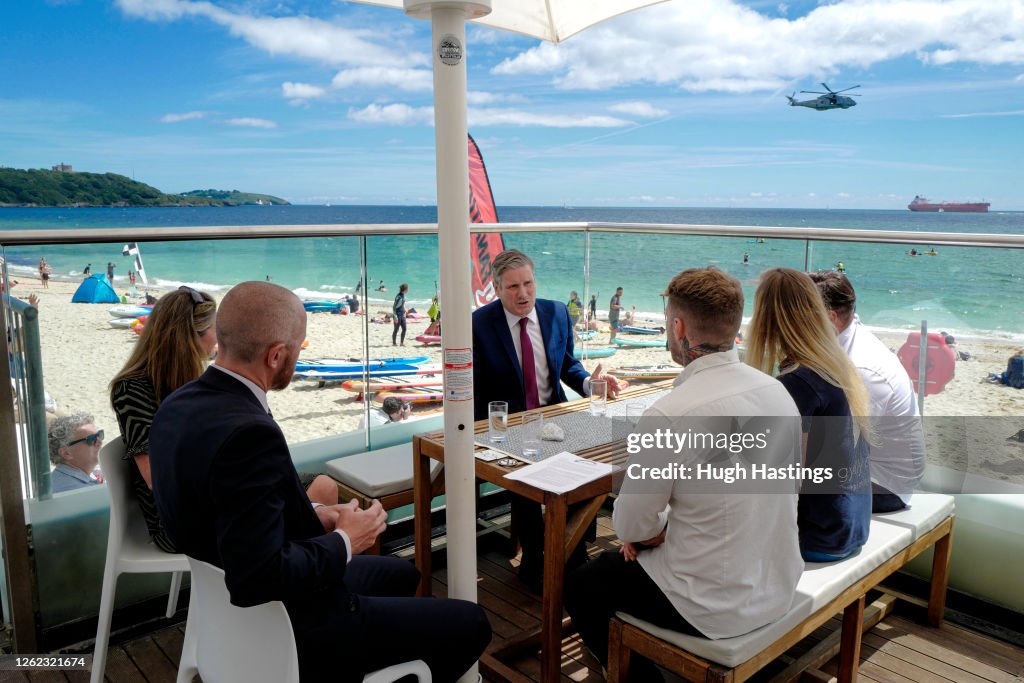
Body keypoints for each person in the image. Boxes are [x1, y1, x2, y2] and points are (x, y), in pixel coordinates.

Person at [149, 281, 491, 682]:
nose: (297, 355)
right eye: (298, 347)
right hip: (294, 621)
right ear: (276, 355)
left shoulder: (179, 403)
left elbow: (231, 509)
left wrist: (320, 515)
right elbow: (258, 577)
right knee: (471, 623)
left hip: (220, 606)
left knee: (402, 575)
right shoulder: (248, 433)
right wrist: (348, 539)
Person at [565, 267, 803, 681]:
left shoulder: (672, 413)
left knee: (584, 583)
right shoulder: (776, 392)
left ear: (678, 328)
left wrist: (653, 532)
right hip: (777, 582)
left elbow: (630, 524)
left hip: (713, 605)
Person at [111, 286, 337, 553]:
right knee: (299, 511)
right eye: (216, 330)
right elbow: (155, 475)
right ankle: (289, 579)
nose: (220, 340)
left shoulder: (201, 379)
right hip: (180, 513)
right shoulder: (133, 388)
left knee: (322, 486)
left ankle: (300, 577)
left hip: (223, 484)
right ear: (189, 337)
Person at [472, 250, 622, 588]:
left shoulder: (556, 313)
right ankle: (536, 558)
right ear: (497, 288)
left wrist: (590, 383)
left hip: (555, 416)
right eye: (512, 287)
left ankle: (572, 551)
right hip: (506, 427)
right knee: (526, 477)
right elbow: (474, 391)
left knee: (591, 464)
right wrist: (488, 434)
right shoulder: (479, 324)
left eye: (528, 283)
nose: (523, 294)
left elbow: (568, 366)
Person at [747, 268, 873, 562]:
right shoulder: (834, 366)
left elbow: (784, 482)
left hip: (819, 536)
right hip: (850, 526)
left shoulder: (798, 384)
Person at [809, 271, 926, 512]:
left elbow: (838, 450)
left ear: (830, 318)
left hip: (883, 485)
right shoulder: (843, 340)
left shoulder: (862, 368)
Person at [48, 413, 104, 493]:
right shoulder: (78, 491)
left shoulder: (61, 478)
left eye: (99, 435)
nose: (100, 442)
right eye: (92, 439)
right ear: (66, 453)